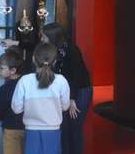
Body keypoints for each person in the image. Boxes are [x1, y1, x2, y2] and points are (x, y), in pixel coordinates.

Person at [41, 23, 93, 154]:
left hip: (79, 91)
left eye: (44, 37)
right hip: (66, 91)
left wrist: (72, 99)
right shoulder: (54, 49)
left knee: (75, 129)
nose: (41, 39)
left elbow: (77, 77)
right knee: (63, 128)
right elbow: (34, 48)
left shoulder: (72, 50)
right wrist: (15, 42)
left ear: (53, 37)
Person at [12, 42, 70, 154]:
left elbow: (16, 109)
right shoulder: (61, 80)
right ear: (54, 61)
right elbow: (65, 106)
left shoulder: (25, 80)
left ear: (33, 59)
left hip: (31, 131)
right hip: (53, 130)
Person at [0, 51, 26, 154]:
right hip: (27, 126)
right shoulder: (27, 83)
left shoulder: (4, 89)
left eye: (1, 68)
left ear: (13, 70)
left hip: (10, 129)